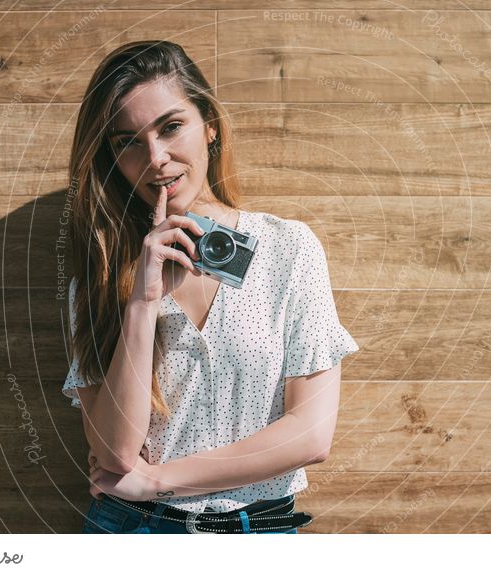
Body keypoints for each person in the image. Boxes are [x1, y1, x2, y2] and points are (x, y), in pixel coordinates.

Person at [62, 40, 359, 534]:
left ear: (211, 126)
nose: (155, 157)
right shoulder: (103, 277)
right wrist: (142, 301)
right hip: (133, 530)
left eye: (171, 127)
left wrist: (157, 481)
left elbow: (310, 434)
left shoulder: (287, 249)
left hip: (257, 530)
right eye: (127, 141)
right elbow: (114, 453)